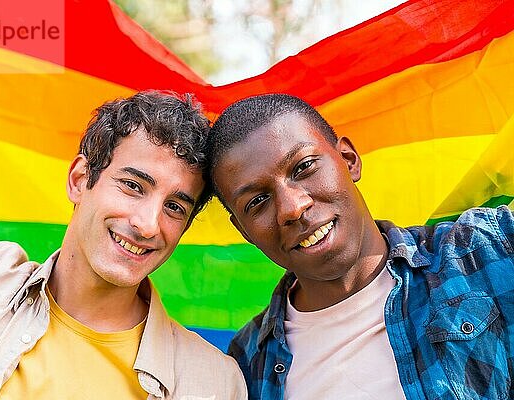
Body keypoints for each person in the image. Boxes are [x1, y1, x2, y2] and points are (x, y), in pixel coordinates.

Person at [0, 91, 247, 399]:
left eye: (174, 207)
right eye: (132, 185)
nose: (147, 224)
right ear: (79, 179)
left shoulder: (215, 382)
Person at [206, 93, 514, 400]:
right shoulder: (245, 363)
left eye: (304, 167)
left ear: (348, 160)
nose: (293, 208)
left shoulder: (487, 247)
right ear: (244, 230)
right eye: (257, 201)